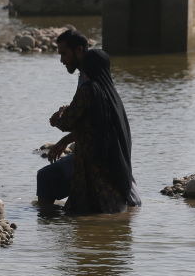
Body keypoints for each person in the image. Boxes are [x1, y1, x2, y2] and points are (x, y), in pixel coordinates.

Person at [51, 48, 141, 214]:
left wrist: (58, 116)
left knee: (83, 209)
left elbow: (68, 122)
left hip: (90, 161)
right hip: (110, 158)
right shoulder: (110, 92)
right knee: (107, 206)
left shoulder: (88, 89)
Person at [35, 29, 89, 207]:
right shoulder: (93, 76)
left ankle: (46, 220)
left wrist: (58, 120)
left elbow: (82, 121)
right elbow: (89, 117)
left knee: (45, 177)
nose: (61, 60)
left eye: (64, 54)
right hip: (95, 149)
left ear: (79, 50)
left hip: (94, 156)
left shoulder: (90, 80)